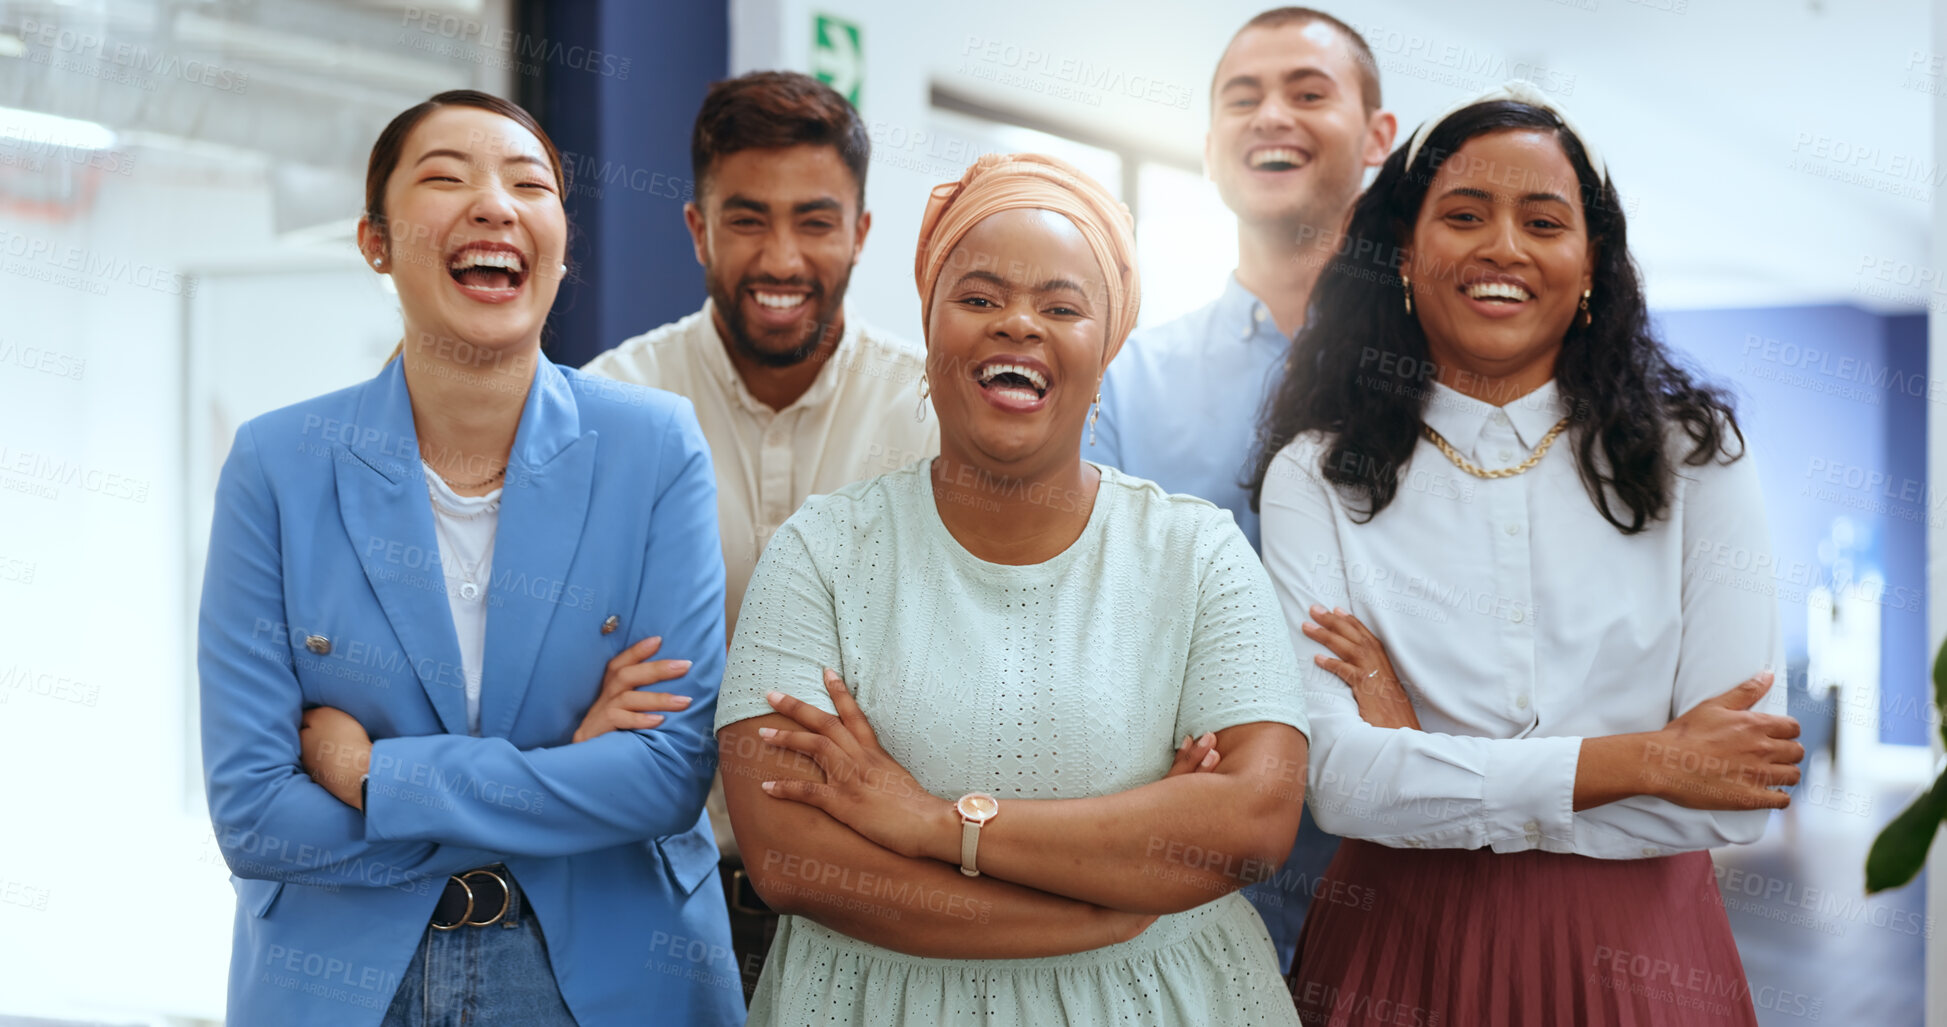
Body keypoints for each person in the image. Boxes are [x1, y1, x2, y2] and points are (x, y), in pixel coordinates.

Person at [1248, 82, 1802, 1026]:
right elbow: (1339, 786)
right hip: (1398, 952)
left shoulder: (1695, 458)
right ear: (1405, 256)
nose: (1502, 246)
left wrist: (1421, 755)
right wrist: (1650, 758)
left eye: (1542, 220)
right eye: (1464, 215)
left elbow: (1734, 794)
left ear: (1590, 264)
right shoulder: (1315, 474)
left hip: (1645, 961)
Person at [714, 152, 1311, 1026]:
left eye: (1061, 306)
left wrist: (926, 821)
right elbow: (791, 858)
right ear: (929, 333)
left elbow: (1252, 819)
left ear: (1104, 353)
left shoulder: (1197, 552)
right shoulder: (822, 551)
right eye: (980, 298)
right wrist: (1111, 895)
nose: (1018, 325)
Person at [199, 90, 742, 1027]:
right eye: (446, 177)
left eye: (529, 183)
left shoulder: (653, 448)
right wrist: (564, 774)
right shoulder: (277, 463)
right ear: (375, 241)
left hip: (610, 979)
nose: (494, 204)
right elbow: (255, 813)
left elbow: (662, 774)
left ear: (562, 245)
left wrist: (377, 778)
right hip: (344, 983)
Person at [582, 70, 937, 994]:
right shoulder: (611, 403)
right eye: (746, 220)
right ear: (698, 229)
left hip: (876, 912)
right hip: (656, 902)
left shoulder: (933, 414)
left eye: (815, 221)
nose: (781, 257)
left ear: (861, 233)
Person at [1090, 6, 1395, 968]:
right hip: (1181, 844)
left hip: (1404, 851)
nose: (1273, 116)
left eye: (1309, 93)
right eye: (1242, 98)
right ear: (1211, 146)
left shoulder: (1446, 373)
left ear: (1378, 137)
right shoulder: (1124, 379)